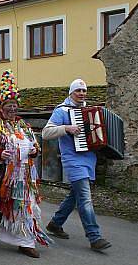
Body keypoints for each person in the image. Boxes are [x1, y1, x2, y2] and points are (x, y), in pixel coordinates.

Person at [0, 70, 52, 258]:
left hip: (22, 178)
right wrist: (0, 153)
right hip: (0, 176)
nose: (12, 109)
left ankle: (25, 241)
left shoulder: (23, 125)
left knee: (24, 206)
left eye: (15, 106)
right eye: (8, 105)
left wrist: (34, 151)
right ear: (1, 107)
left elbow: (34, 145)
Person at [42, 79, 112, 251]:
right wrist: (66, 128)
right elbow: (45, 132)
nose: (81, 93)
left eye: (84, 90)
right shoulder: (62, 111)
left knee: (75, 195)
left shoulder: (91, 111)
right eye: (78, 90)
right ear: (71, 93)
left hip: (89, 159)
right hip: (72, 159)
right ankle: (94, 237)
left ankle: (54, 224)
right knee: (85, 198)